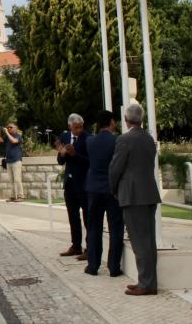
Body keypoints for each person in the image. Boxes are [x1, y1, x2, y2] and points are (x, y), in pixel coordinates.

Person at [109, 103, 161, 296]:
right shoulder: (149, 138)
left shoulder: (124, 139)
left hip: (133, 195)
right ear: (141, 118)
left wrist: (114, 189)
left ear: (126, 119)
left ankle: (146, 284)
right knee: (148, 241)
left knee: (139, 242)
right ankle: (147, 280)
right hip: (149, 193)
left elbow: (115, 168)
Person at [85, 110, 124, 277]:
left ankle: (93, 265)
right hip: (112, 189)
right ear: (111, 122)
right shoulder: (117, 141)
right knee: (116, 227)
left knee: (94, 227)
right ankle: (113, 266)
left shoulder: (90, 141)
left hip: (93, 188)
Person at [57, 113, 90, 259]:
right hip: (69, 184)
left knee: (87, 216)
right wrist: (63, 154)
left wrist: (74, 154)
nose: (79, 130)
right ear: (70, 126)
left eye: (81, 127)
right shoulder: (64, 138)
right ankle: (76, 246)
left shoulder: (88, 138)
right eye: (76, 127)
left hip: (83, 183)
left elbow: (89, 161)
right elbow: (60, 161)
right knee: (73, 216)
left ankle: (90, 248)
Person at [0, 122, 24, 202]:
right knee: (11, 180)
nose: (9, 128)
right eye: (8, 127)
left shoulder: (18, 136)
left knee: (17, 179)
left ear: (16, 128)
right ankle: (12, 196)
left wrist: (7, 133)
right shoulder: (7, 136)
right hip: (9, 161)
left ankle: (21, 196)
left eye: (11, 127)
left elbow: (14, 141)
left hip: (16, 161)